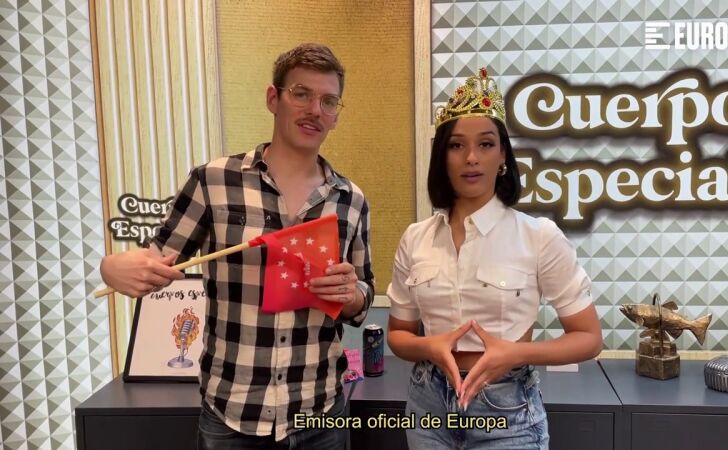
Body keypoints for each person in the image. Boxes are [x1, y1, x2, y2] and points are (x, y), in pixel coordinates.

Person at [100, 43, 374, 449]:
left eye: (328, 101)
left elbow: (363, 293)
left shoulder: (351, 199)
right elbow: (158, 258)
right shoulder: (213, 180)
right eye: (301, 94)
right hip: (232, 416)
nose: (315, 110)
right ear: (273, 99)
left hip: (320, 414)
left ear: (336, 115)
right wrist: (111, 267)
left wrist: (351, 295)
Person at [386, 68, 602, 449]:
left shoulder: (538, 237)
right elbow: (399, 335)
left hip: (507, 411)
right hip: (427, 405)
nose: (471, 158)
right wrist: (430, 347)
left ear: (502, 154)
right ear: (442, 156)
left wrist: (515, 353)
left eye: (485, 144)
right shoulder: (416, 238)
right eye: (457, 145)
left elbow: (589, 338)